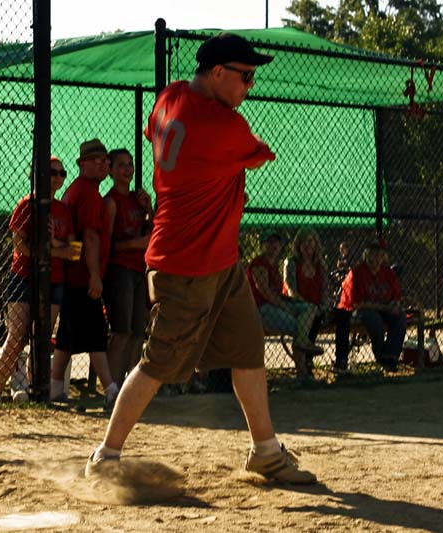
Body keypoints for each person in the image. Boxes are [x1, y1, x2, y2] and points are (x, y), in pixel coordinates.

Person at [85, 33, 316, 484]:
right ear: (217, 74)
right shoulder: (223, 125)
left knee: (248, 350)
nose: (250, 86)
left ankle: (265, 451)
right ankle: (106, 456)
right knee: (158, 364)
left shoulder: (170, 97)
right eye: (245, 76)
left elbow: (157, 131)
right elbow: (259, 156)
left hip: (221, 260)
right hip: (186, 265)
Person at [0, 156, 78, 398]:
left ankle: (35, 390)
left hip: (54, 279)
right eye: (53, 172)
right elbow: (20, 245)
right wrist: (55, 250)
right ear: (39, 174)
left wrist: (50, 244)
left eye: (62, 173)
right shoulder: (26, 205)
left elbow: (75, 251)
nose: (58, 177)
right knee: (17, 336)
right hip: (23, 276)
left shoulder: (63, 210)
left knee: (41, 336)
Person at [51, 139, 119, 406]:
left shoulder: (78, 190)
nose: (103, 164)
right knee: (96, 334)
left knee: (67, 337)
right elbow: (89, 237)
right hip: (82, 277)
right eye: (96, 160)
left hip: (73, 276)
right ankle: (112, 390)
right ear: (82, 164)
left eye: (105, 160)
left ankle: (55, 388)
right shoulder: (88, 193)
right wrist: (94, 275)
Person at [103, 148, 152, 387]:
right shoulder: (111, 202)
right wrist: (134, 243)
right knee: (121, 332)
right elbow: (107, 246)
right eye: (121, 165)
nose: (127, 169)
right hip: (120, 270)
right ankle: (112, 387)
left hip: (139, 270)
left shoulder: (137, 199)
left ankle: (130, 387)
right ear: (110, 170)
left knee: (136, 333)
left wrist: (150, 208)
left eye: (129, 164)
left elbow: (154, 231)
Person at [247, 229, 323, 378]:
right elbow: (265, 292)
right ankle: (303, 373)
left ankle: (302, 343)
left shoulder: (274, 265)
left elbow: (278, 293)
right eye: (269, 242)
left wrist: (291, 302)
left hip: (276, 305)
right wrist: (285, 307)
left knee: (310, 308)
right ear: (262, 245)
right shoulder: (259, 263)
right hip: (260, 309)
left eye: (276, 242)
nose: (273, 246)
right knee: (298, 327)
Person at [334, 242, 407, 373]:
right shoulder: (357, 273)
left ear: (383, 257)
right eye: (371, 256)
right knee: (374, 319)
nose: (375, 260)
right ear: (365, 257)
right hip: (356, 310)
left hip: (382, 308)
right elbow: (358, 304)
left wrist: (395, 304)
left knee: (400, 316)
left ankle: (390, 356)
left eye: (378, 256)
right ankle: (381, 356)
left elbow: (396, 296)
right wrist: (385, 307)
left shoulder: (388, 272)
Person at [282, 228, 330, 376]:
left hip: (317, 307)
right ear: (298, 244)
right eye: (303, 241)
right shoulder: (291, 263)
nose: (307, 245)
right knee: (309, 314)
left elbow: (325, 291)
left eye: (310, 241)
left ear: (316, 244)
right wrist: (307, 305)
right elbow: (291, 289)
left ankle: (307, 362)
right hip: (296, 305)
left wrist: (323, 305)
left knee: (318, 314)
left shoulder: (320, 265)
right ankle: (306, 363)